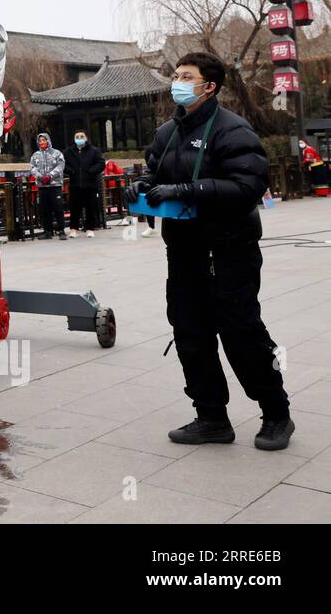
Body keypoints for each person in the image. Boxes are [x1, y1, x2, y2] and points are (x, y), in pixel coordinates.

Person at [126, 52, 293, 451]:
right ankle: (211, 416)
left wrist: (186, 191)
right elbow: (155, 170)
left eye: (187, 76)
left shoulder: (234, 131)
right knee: (190, 331)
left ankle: (276, 413)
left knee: (242, 332)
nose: (177, 82)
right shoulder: (168, 132)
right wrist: (143, 185)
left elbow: (248, 186)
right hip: (184, 251)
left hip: (229, 249)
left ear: (210, 86)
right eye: (176, 75)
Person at [62, 129, 106, 237]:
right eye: (77, 137)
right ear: (74, 139)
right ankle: (73, 229)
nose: (79, 139)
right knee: (74, 207)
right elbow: (62, 165)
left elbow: (101, 163)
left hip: (90, 184)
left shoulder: (94, 151)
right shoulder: (68, 152)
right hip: (75, 184)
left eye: (82, 137)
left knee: (91, 207)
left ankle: (90, 228)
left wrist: (91, 171)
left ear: (86, 138)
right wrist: (71, 171)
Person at [29, 131, 67, 240]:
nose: (42, 142)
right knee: (44, 210)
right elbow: (32, 167)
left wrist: (50, 176)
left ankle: (61, 230)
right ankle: (47, 231)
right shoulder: (35, 155)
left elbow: (60, 166)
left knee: (58, 208)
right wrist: (40, 177)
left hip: (55, 186)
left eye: (43, 140)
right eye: (40, 140)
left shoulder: (57, 153)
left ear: (48, 141)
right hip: (42, 187)